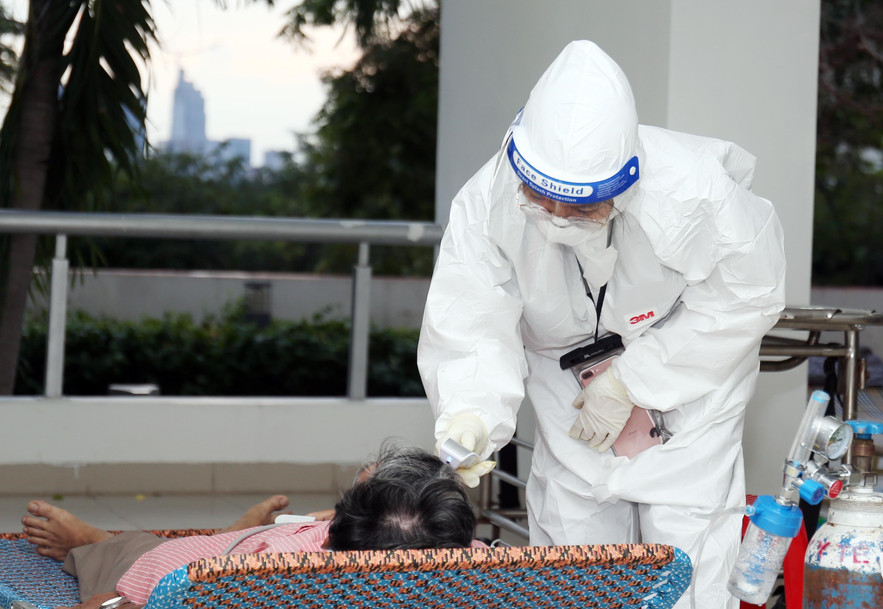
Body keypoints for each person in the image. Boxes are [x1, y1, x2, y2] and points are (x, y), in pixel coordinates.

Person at [417, 40, 786, 609]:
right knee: (573, 559)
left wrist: (636, 379)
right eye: (544, 200)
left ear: (628, 176)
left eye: (584, 206)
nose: (561, 219)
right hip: (564, 377)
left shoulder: (694, 191)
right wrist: (470, 411)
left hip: (686, 369)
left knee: (687, 555)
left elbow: (749, 296)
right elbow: (472, 319)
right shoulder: (485, 203)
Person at [21, 445, 478, 609]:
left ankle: (92, 541)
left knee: (133, 548)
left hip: (161, 567)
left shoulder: (257, 584)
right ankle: (232, 530)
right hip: (258, 545)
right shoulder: (468, 560)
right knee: (222, 543)